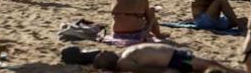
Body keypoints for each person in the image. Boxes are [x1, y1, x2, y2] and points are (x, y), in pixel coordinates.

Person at [93, 44, 237, 73]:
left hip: (175, 55)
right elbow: (142, 69)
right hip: (174, 60)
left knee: (209, 64)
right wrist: (166, 71)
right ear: (107, 64)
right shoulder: (122, 63)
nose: (105, 50)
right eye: (103, 55)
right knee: (210, 64)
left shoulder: (123, 55)